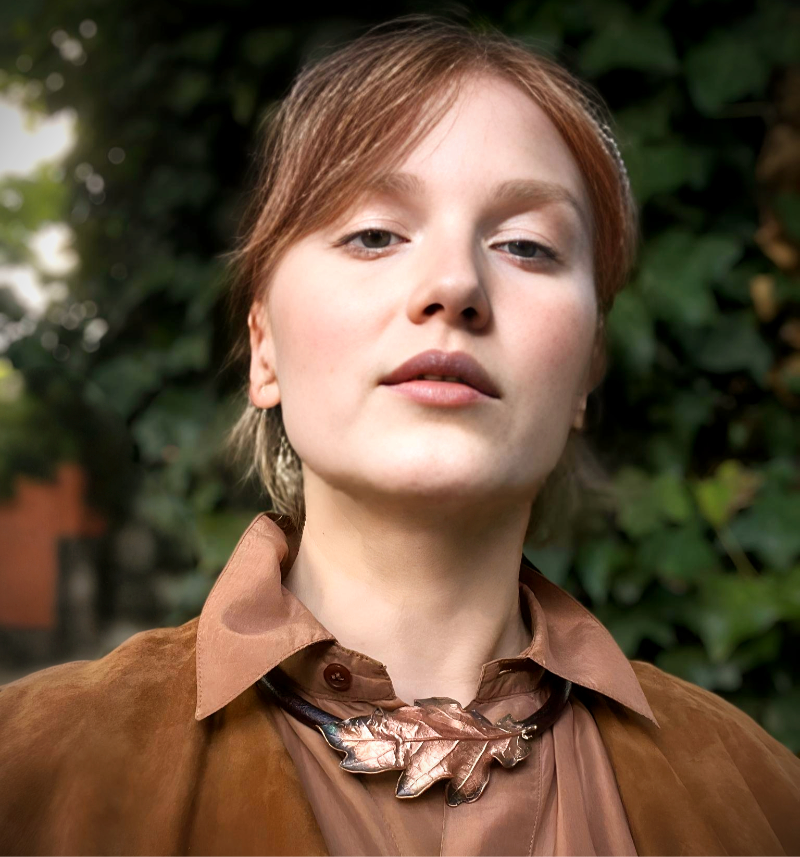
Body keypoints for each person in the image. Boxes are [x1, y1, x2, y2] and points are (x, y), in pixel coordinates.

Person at [1, 15, 798, 857]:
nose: (454, 284)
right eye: (375, 234)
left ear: (586, 372)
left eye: (526, 246)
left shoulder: (764, 803)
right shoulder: (29, 778)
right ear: (264, 345)